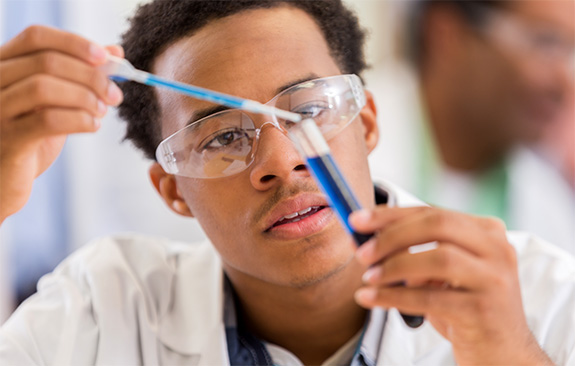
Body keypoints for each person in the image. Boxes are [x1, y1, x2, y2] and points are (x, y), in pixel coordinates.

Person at [0, 1, 574, 365]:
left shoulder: (543, 301)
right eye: (223, 137)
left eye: (307, 112)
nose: (281, 160)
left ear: (366, 123)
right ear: (173, 191)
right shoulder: (99, 313)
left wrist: (507, 355)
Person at [369, 0, 575, 253]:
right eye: (546, 42)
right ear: (447, 33)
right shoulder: (347, 148)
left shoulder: (549, 207)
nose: (565, 81)